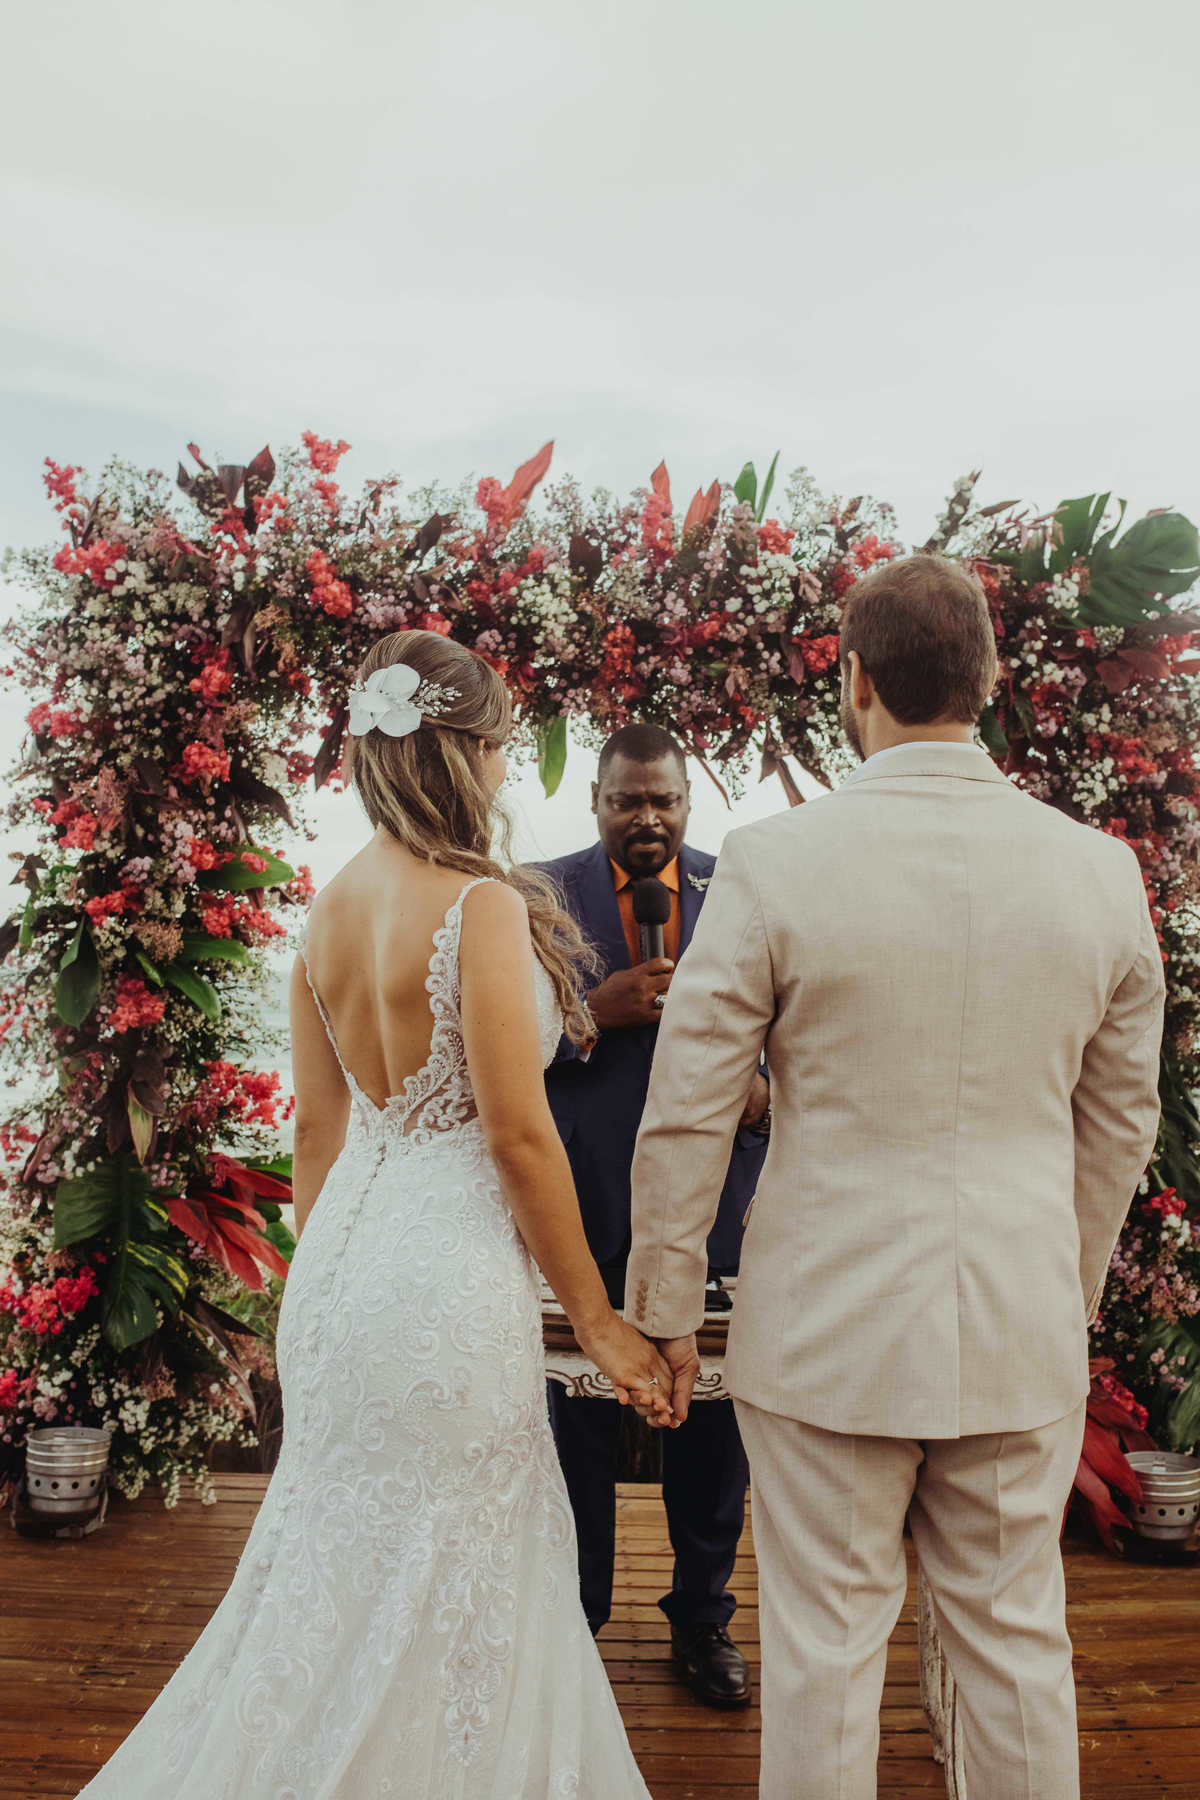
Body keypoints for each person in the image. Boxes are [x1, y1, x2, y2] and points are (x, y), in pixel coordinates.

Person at [77, 631, 671, 1800]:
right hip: (443, 1283)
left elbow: (317, 1132)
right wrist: (599, 1323)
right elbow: (515, 1135)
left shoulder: (327, 911)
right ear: (460, 752)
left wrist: (322, 1286)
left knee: (336, 1575)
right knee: (459, 1580)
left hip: (343, 1272)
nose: (506, 768)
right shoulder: (482, 909)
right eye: (500, 746)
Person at [624, 556, 1166, 1799]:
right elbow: (1118, 1118)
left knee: (823, 1657)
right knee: (1018, 1646)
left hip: (825, 1332)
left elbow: (690, 1105)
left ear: (855, 682)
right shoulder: (1097, 872)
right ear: (988, 681)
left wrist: (661, 1310)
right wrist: (1062, 1282)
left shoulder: (773, 862)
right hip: (1019, 1323)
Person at [541, 723, 769, 1707]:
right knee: (572, 1431)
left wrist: (758, 1088)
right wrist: (597, 1009)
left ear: (689, 800)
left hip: (719, 1210)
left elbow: (795, 1030)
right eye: (627, 801)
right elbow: (489, 1049)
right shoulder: (534, 897)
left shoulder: (743, 890)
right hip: (579, 1205)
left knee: (713, 1432)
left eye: (664, 801)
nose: (647, 818)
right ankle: (577, 1617)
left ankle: (703, 1619)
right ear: (595, 800)